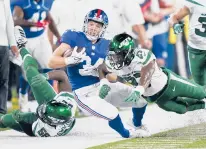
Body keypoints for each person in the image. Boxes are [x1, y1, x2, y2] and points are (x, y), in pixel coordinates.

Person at [48, 9, 149, 138]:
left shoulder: (107, 44)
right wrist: (69, 60)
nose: (93, 28)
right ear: (85, 23)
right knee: (112, 113)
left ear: (103, 28)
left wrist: (102, 71)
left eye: (97, 25)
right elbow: (51, 62)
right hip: (84, 93)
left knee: (140, 100)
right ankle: (127, 133)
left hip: (103, 86)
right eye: (91, 24)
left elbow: (113, 77)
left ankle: (137, 124)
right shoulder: (73, 37)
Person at [99, 33, 206, 115]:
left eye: (118, 55)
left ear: (129, 52)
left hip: (170, 84)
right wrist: (103, 82)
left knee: (201, 92)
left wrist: (140, 88)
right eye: (113, 55)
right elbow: (101, 68)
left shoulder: (141, 55)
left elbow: (148, 72)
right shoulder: (112, 63)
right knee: (182, 109)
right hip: (155, 97)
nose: (114, 59)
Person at [0, 26, 76, 137]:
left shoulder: (44, 130)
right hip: (53, 110)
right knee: (33, 75)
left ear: (49, 121)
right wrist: (46, 76)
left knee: (5, 120)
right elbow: (63, 76)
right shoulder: (67, 102)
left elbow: (25, 122)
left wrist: (19, 116)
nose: (42, 107)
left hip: (37, 122)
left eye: (44, 111)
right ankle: (21, 47)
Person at [10, 0, 61, 111]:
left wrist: (59, 37)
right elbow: (15, 20)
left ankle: (50, 101)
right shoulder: (22, 2)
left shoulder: (46, 2)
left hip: (40, 38)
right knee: (27, 72)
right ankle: (23, 100)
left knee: (49, 66)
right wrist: (33, 23)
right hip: (24, 40)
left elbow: (50, 19)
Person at [168, 0, 206, 85]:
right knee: (199, 85)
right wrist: (175, 25)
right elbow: (173, 18)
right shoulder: (193, 3)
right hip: (196, 48)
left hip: (196, 45)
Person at [0, 0, 19, 114]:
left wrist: (13, 44)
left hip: (3, 45)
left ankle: (1, 112)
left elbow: (9, 21)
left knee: (3, 80)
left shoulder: (5, 1)